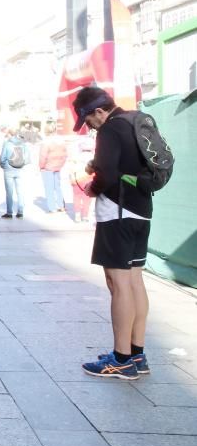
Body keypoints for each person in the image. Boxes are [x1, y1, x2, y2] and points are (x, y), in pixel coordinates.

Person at [72, 87, 152, 380]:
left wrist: (92, 187)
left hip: (117, 214)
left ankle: (121, 359)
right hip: (141, 211)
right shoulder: (133, 122)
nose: (90, 126)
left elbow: (107, 174)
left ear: (99, 111)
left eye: (89, 120)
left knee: (118, 284)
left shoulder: (109, 130)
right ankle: (137, 353)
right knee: (134, 281)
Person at [0, 127, 28, 218]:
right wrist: (22, 165)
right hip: (19, 169)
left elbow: (3, 158)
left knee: (9, 192)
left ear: (10, 134)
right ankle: (20, 212)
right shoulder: (23, 143)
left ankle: (9, 212)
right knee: (20, 191)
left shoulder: (7, 143)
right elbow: (27, 158)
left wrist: (4, 166)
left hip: (9, 170)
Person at [39, 122, 68, 213]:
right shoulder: (61, 141)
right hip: (58, 167)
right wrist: (60, 164)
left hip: (48, 168)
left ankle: (52, 208)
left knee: (49, 188)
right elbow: (65, 155)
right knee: (58, 187)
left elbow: (42, 157)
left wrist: (41, 166)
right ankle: (61, 206)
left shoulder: (46, 142)